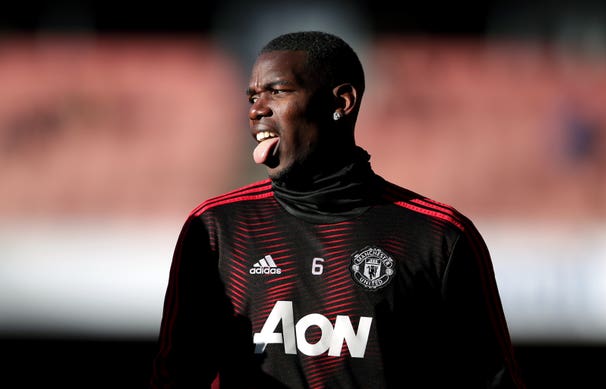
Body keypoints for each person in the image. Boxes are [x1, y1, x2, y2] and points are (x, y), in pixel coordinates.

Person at [150, 31, 526, 388]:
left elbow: (491, 382)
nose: (256, 110)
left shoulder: (438, 238)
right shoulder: (217, 228)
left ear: (341, 102)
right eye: (252, 97)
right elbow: (176, 378)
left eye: (277, 91)